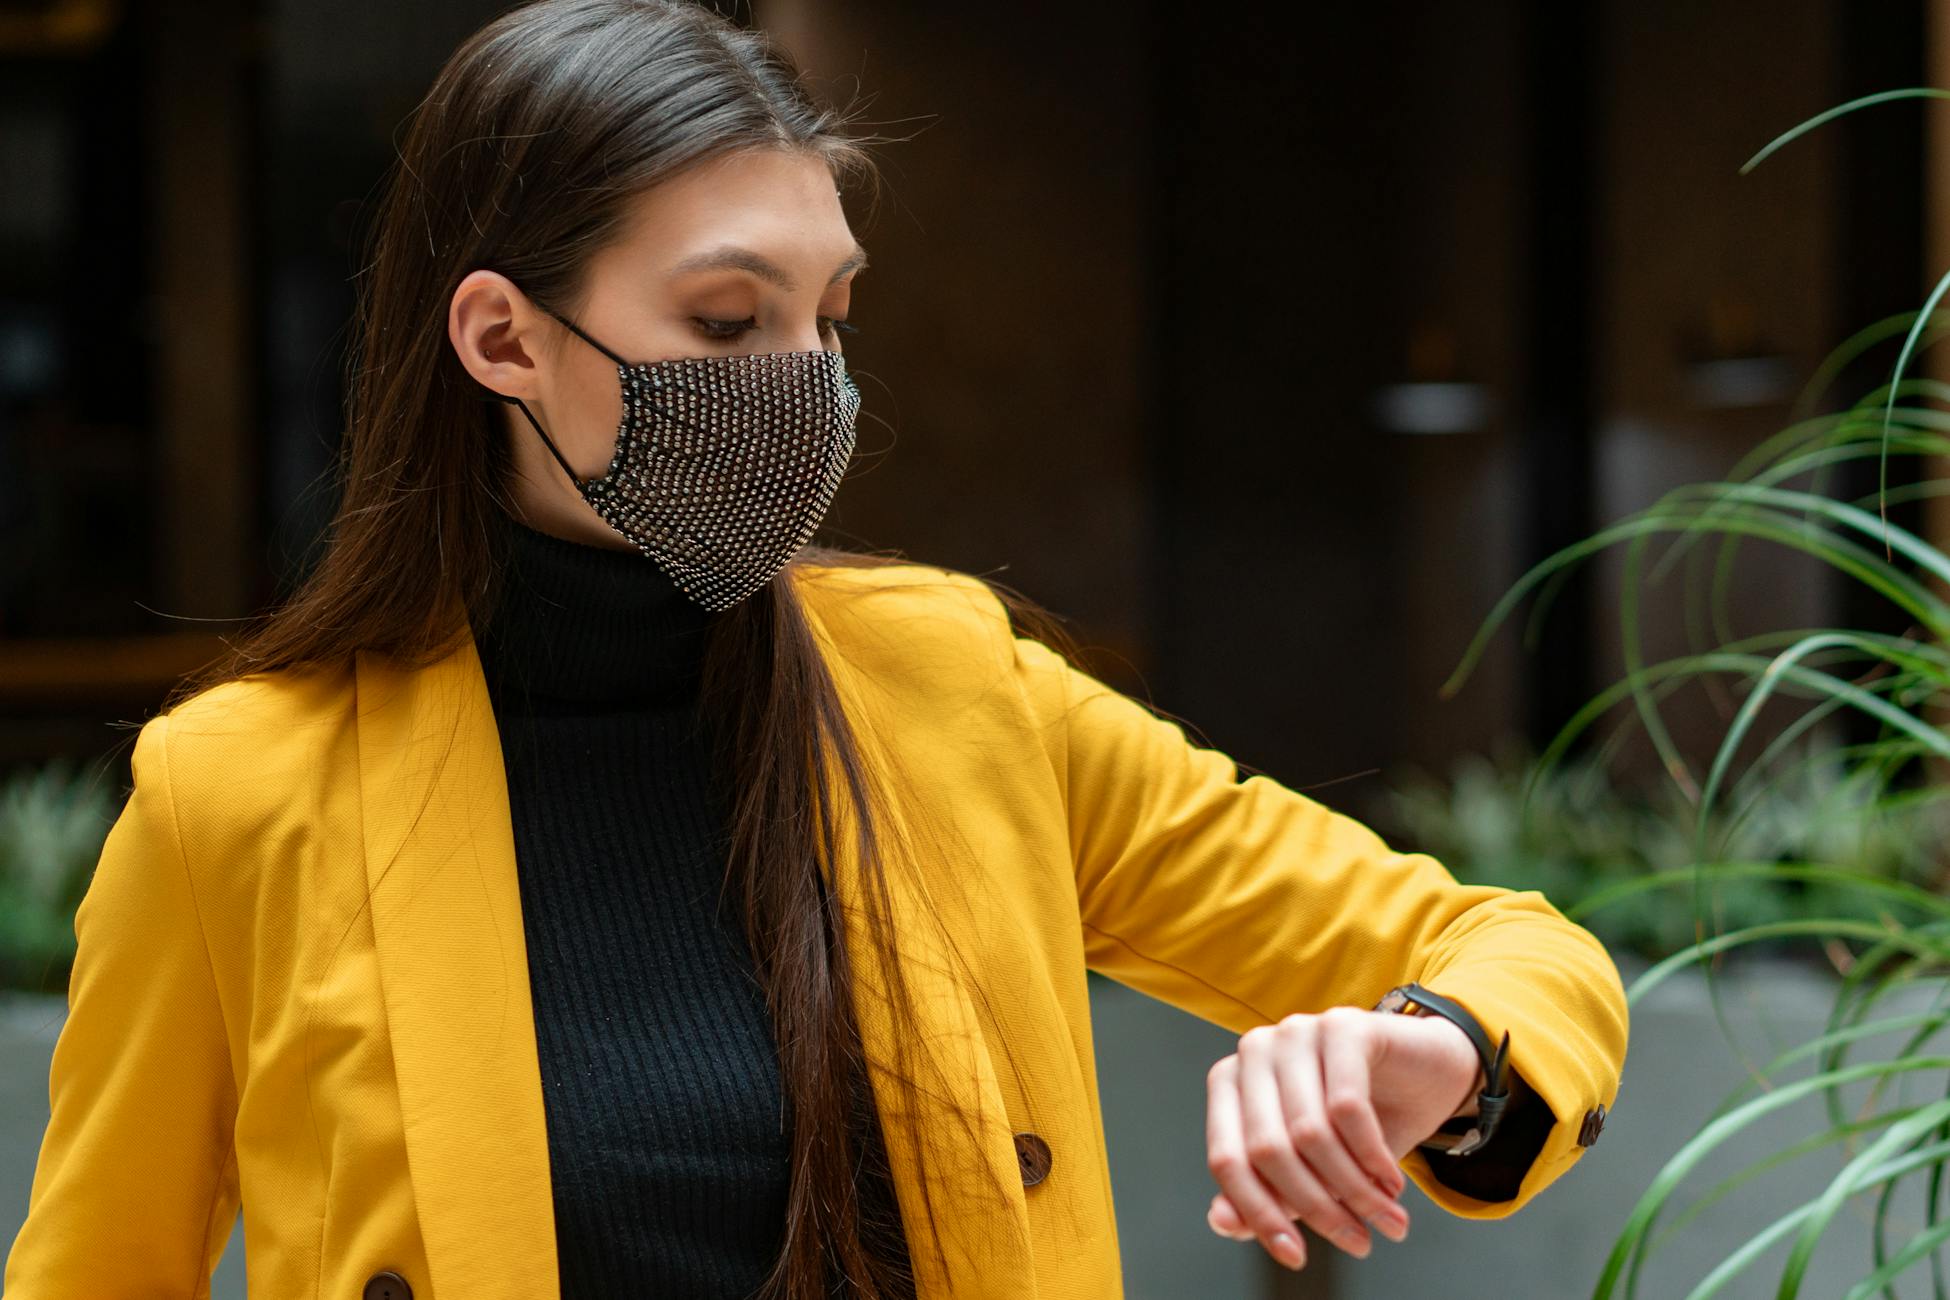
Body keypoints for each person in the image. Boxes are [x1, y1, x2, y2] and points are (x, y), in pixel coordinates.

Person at [2, 1, 1628, 1297]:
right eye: (727, 324)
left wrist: (1434, 1055)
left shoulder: (957, 694)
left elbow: (1520, 953)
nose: (805, 384)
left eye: (828, 318)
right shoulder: (237, 796)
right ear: (501, 337)